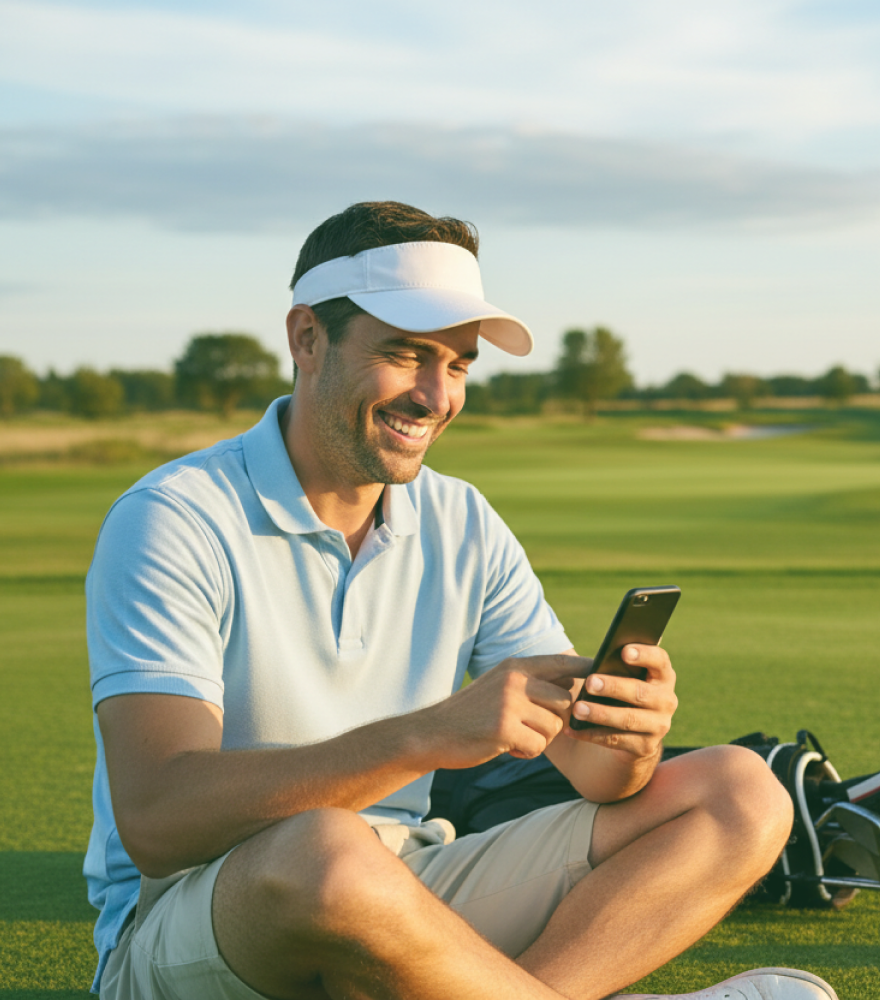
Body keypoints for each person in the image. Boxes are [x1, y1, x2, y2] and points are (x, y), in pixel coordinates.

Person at [84, 201, 838, 1000]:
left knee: (741, 791)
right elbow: (159, 820)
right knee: (326, 853)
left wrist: (631, 739)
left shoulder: (462, 518)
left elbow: (596, 776)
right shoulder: (174, 517)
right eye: (406, 355)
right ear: (307, 338)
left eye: (460, 365)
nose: (436, 396)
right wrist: (427, 734)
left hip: (407, 883)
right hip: (194, 923)